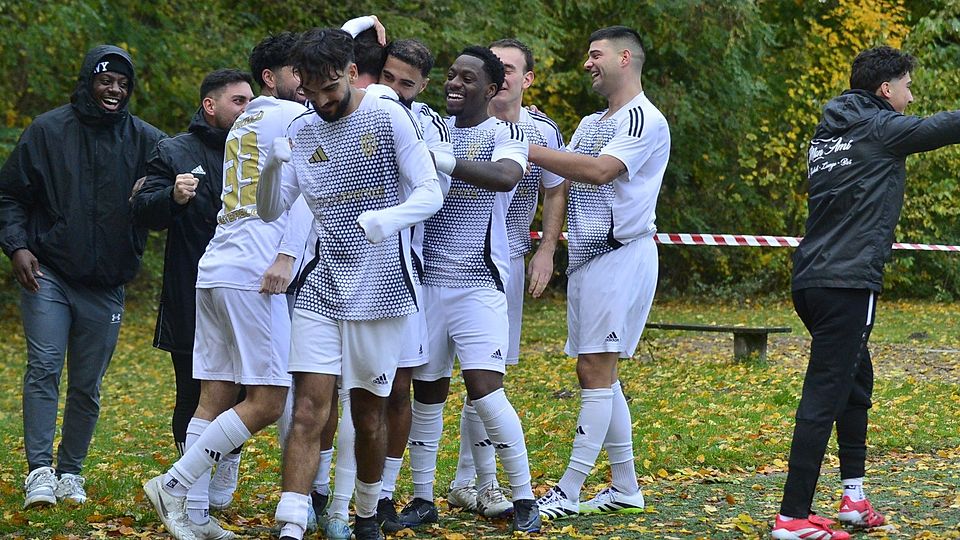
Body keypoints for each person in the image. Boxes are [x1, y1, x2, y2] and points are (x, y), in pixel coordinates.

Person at [257, 27, 443, 540]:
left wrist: (387, 221)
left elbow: (430, 192)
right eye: (308, 93)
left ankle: (364, 513)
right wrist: (273, 168)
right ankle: (292, 522)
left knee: (367, 412)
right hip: (322, 283)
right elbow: (272, 207)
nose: (319, 103)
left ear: (348, 72)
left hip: (382, 286)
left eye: (328, 91)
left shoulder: (386, 116)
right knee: (309, 407)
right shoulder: (303, 128)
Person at [771, 45, 960, 540]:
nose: (911, 94)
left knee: (856, 380)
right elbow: (944, 126)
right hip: (848, 283)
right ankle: (792, 518)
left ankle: (853, 499)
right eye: (907, 85)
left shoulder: (827, 134)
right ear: (886, 89)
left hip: (810, 280)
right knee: (825, 393)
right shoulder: (879, 130)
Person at [142, 33, 309, 540]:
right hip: (255, 275)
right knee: (268, 399)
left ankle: (193, 515)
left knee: (212, 396)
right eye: (299, 73)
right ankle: (175, 483)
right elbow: (305, 191)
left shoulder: (248, 119)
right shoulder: (294, 118)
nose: (310, 82)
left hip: (215, 269)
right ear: (272, 76)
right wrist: (286, 254)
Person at [0, 45, 165, 510]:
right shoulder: (48, 131)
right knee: (44, 367)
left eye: (122, 83)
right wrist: (18, 246)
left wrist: (165, 195)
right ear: (87, 82)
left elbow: (166, 203)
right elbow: (10, 194)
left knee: (87, 384)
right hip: (48, 272)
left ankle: (71, 472)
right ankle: (38, 472)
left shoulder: (147, 141)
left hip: (107, 281)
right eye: (105, 80)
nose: (113, 90)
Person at [525, 26, 670, 521]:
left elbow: (601, 171)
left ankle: (569, 488)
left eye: (595, 54)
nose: (587, 63)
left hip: (622, 255)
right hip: (586, 259)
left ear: (625, 57)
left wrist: (526, 148)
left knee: (594, 369)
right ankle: (626, 487)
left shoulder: (644, 119)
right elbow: (564, 172)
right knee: (600, 374)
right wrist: (532, 131)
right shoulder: (590, 120)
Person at [400, 46, 541, 534]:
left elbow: (506, 178)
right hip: (425, 282)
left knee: (486, 393)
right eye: (451, 76)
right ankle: (422, 499)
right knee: (427, 393)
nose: (454, 84)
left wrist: (446, 162)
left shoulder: (505, 134)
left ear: (494, 88)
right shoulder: (428, 127)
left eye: (468, 78)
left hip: (479, 284)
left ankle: (524, 498)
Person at [444, 37, 567, 518]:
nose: (505, 75)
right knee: (437, 378)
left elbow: (556, 193)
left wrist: (546, 249)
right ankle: (465, 481)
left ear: (523, 79)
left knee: (487, 378)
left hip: (506, 261)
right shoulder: (446, 126)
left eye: (512, 68)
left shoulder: (540, 131)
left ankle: (482, 482)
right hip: (441, 266)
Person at [131, 68, 253, 454]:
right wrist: (173, 196)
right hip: (190, 290)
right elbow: (144, 212)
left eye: (251, 100)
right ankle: (188, 479)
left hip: (248, 288)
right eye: (239, 101)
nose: (248, 108)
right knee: (193, 390)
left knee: (246, 392)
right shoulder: (174, 150)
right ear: (210, 105)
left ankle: (222, 480)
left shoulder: (256, 148)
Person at [371, 37, 455, 535]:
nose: (396, 89)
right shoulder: (353, 106)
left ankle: (383, 494)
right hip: (345, 269)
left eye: (408, 83)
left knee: (399, 387)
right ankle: (325, 491)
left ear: (423, 86)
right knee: (346, 389)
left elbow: (436, 195)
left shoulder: (431, 124)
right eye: (389, 78)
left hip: (407, 269)